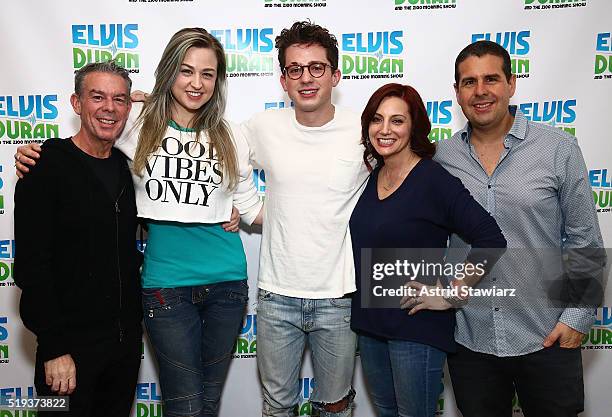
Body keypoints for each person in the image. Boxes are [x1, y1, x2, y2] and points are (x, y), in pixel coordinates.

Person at [15, 28, 262, 417]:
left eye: (208, 74)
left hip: (210, 294)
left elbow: (248, 204)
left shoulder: (227, 136)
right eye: (186, 71)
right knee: (181, 405)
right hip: (154, 295)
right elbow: (32, 264)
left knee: (206, 404)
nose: (197, 83)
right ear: (76, 103)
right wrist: (32, 154)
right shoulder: (85, 147)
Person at [432, 40, 605, 417]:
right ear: (457, 93)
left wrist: (576, 319)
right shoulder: (440, 158)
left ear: (511, 83)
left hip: (547, 337)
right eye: (469, 82)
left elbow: (585, 241)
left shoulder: (558, 149)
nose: (480, 91)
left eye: (491, 79)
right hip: (470, 339)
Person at [349, 83, 506, 417]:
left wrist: (451, 294)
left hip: (416, 326)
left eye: (397, 121)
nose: (385, 129)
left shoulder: (433, 180)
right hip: (370, 325)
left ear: (414, 127)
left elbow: (491, 239)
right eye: (377, 120)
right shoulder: (374, 176)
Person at [242, 21, 369, 417]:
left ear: (335, 74)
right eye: (295, 69)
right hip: (277, 295)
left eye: (317, 67)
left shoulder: (365, 128)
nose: (306, 78)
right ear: (283, 80)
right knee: (278, 406)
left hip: (339, 295)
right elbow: (218, 149)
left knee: (334, 407)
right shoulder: (264, 127)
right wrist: (250, 210)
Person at [13, 61, 142, 417]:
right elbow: (31, 266)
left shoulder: (127, 168)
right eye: (96, 96)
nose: (109, 107)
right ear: (76, 103)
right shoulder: (44, 166)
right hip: (66, 353)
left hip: (123, 350)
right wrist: (54, 347)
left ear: (129, 107)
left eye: (119, 99)